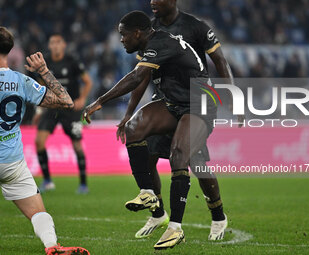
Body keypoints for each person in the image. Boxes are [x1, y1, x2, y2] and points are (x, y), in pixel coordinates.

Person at [83, 11, 217, 250]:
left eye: (123, 35)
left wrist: (100, 101)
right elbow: (141, 79)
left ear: (137, 33)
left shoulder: (161, 43)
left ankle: (175, 228)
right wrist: (127, 116)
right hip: (173, 103)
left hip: (200, 103)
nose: (121, 40)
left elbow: (136, 78)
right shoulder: (149, 48)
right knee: (133, 129)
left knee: (180, 156)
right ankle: (147, 192)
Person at [116, 0, 240, 241]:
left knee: (195, 161)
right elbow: (142, 75)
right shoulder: (147, 30)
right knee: (148, 154)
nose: (152, 1)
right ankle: (158, 213)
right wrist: (130, 112)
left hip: (194, 103)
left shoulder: (196, 27)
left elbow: (220, 61)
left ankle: (217, 216)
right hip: (165, 103)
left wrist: (234, 98)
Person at [0, 26, 89, 255]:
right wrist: (44, 71)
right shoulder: (21, 81)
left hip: (12, 160)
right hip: (12, 163)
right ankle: (52, 246)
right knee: (39, 213)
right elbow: (67, 101)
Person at [32, 34, 92, 194]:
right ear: (49, 45)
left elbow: (88, 81)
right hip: (52, 108)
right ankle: (47, 181)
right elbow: (41, 87)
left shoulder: (72, 61)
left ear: (64, 45)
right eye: (52, 43)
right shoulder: (45, 63)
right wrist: (39, 110)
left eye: (58, 42)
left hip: (71, 109)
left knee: (77, 145)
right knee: (39, 142)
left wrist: (82, 99)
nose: (55, 45)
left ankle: (83, 184)